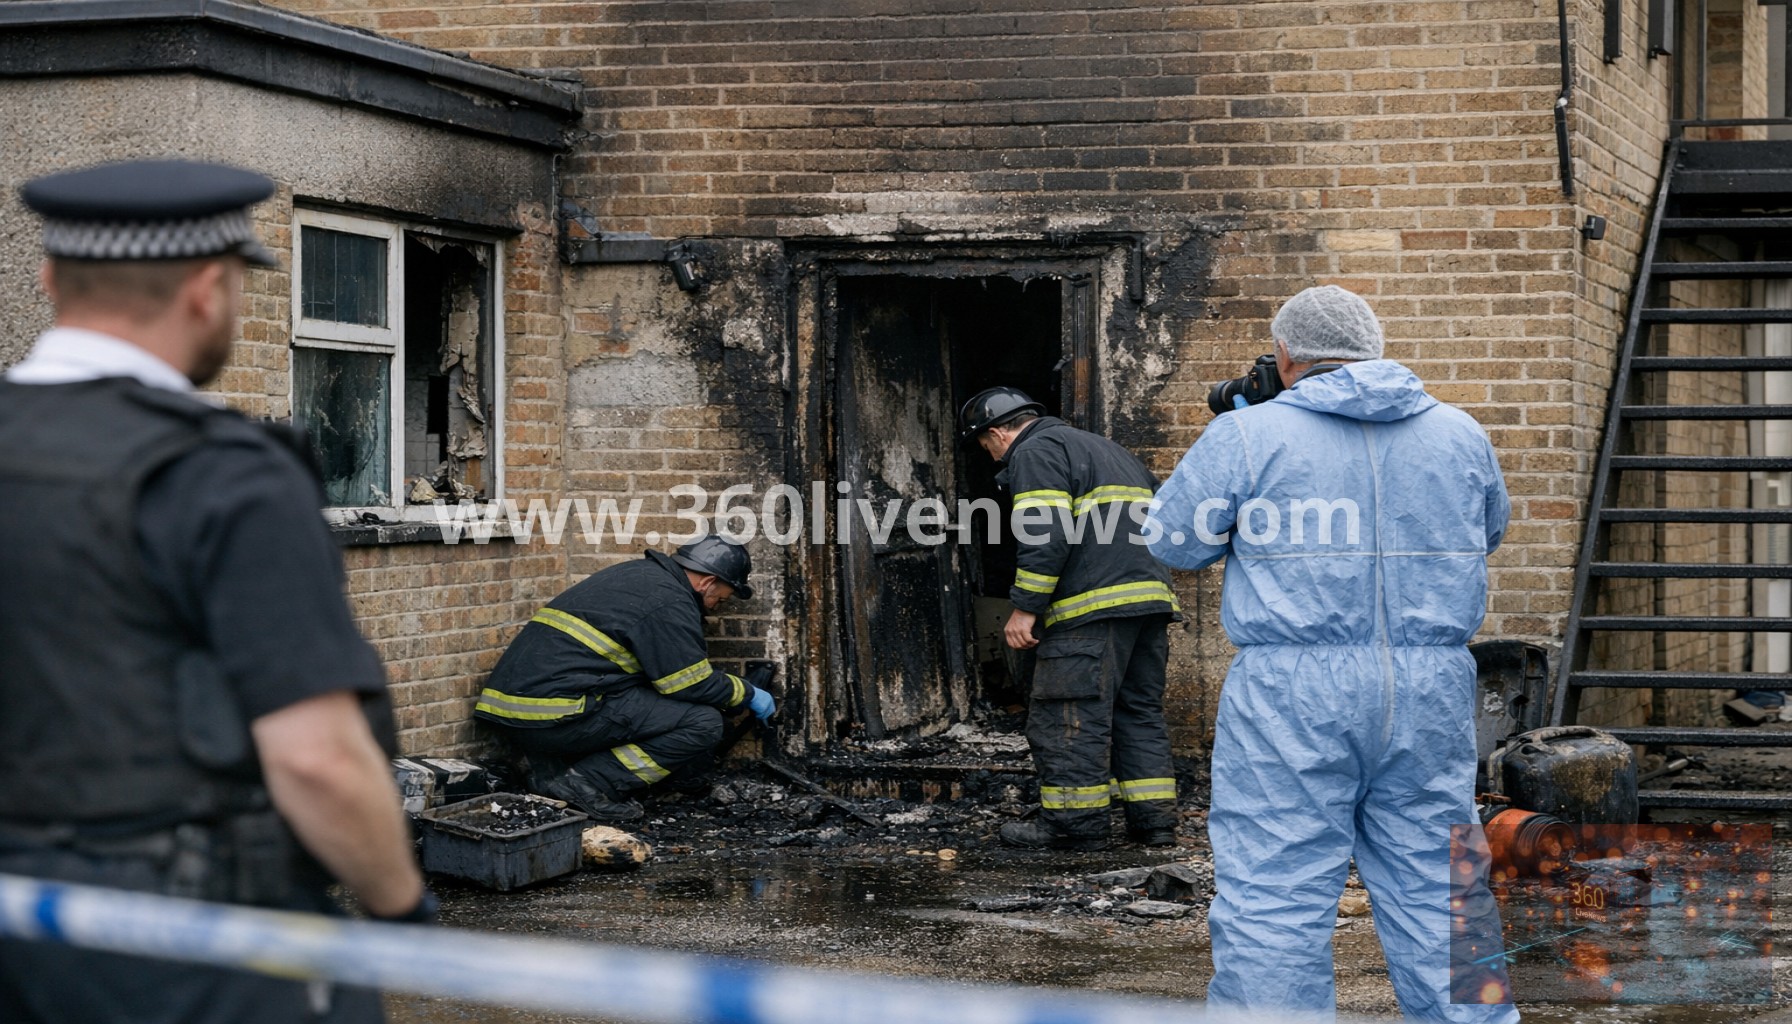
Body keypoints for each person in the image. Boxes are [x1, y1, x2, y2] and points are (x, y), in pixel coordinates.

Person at [0, 160, 430, 1024]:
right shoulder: (223, 475)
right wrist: (398, 909)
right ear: (207, 289)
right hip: (195, 934)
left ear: (50, 279)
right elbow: (316, 756)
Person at [1146, 285, 1517, 1022]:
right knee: (1442, 882)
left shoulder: (1251, 434)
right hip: (1430, 685)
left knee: (1276, 889)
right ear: (1372, 349)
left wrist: (1242, 437)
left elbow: (1173, 541)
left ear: (1286, 356)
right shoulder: (1459, 432)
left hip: (1295, 692)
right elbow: (1489, 531)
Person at [958, 387, 1181, 851]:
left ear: (999, 433)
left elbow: (1046, 534)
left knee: (1068, 713)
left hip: (1090, 609)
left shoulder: (1035, 451)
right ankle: (1154, 823)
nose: (993, 457)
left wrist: (1025, 609)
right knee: (1135, 712)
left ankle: (1073, 824)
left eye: (987, 447)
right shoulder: (1110, 450)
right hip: (1149, 604)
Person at [476, 536, 776, 820]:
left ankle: (552, 773)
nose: (715, 607)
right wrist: (748, 693)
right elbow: (689, 683)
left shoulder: (638, 576)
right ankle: (588, 783)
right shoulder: (670, 601)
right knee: (703, 723)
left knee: (649, 697)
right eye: (720, 600)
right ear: (708, 582)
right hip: (552, 715)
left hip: (515, 710)